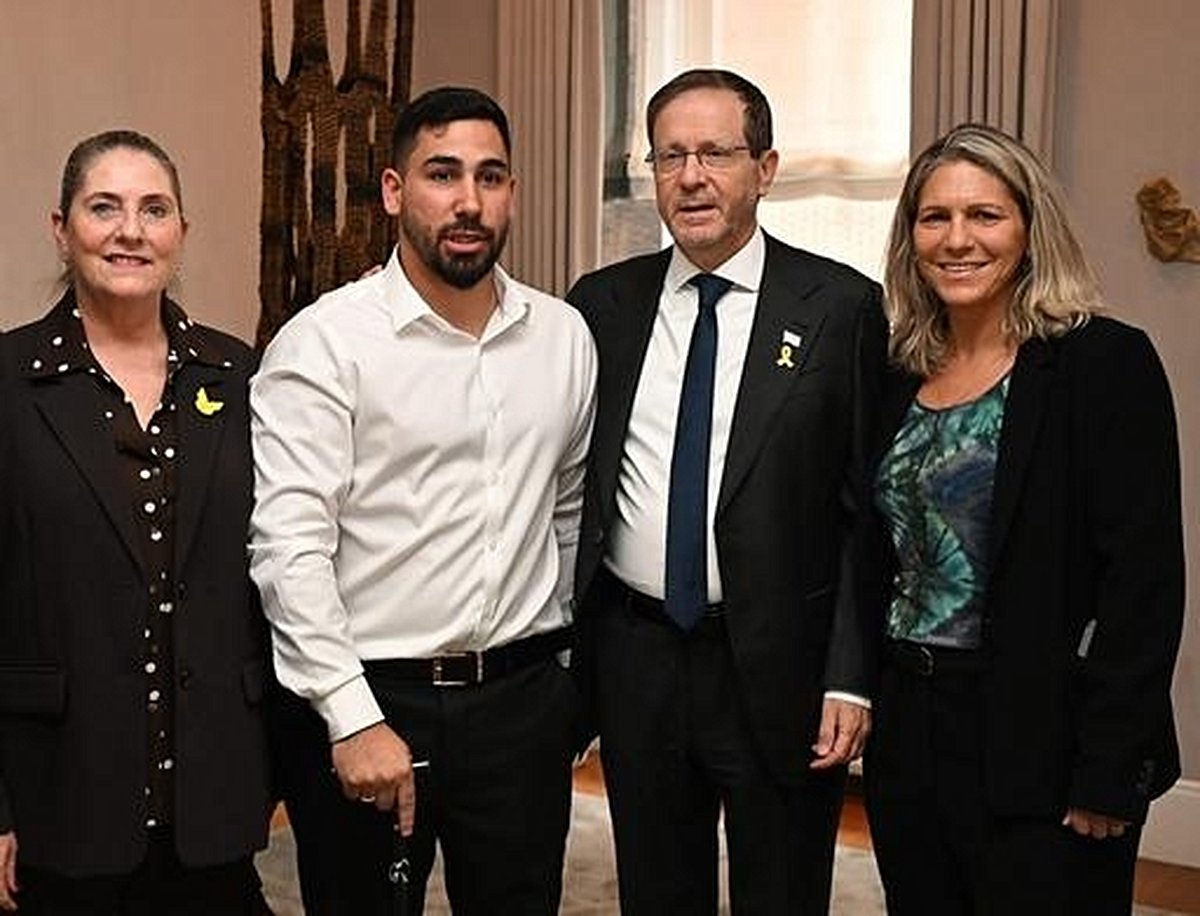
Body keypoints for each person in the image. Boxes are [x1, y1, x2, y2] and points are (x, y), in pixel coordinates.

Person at [249, 86, 597, 915]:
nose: (469, 201)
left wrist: (561, 684)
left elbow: (568, 509)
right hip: (373, 697)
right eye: (442, 175)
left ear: (512, 192)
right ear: (394, 191)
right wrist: (349, 714)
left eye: (490, 176)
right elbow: (290, 548)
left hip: (520, 705)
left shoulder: (562, 337)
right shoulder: (323, 344)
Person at [566, 69, 886, 915]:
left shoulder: (841, 309)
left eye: (715, 153)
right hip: (637, 660)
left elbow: (866, 515)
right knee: (655, 889)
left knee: (782, 890)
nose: (691, 177)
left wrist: (849, 678)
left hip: (779, 664)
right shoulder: (602, 306)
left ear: (765, 169)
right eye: (670, 156)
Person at [862, 122, 1185, 914]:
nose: (957, 239)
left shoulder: (1102, 363)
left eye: (985, 215)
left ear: (1031, 228)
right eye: (934, 217)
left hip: (1047, 737)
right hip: (911, 731)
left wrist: (1109, 766)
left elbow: (1143, 584)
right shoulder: (897, 370)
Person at [0, 130, 272, 914]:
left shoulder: (240, 375)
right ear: (61, 229)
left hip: (215, 793)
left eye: (154, 209)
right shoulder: (10, 382)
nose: (131, 230)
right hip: (59, 792)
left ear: (181, 231)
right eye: (104, 208)